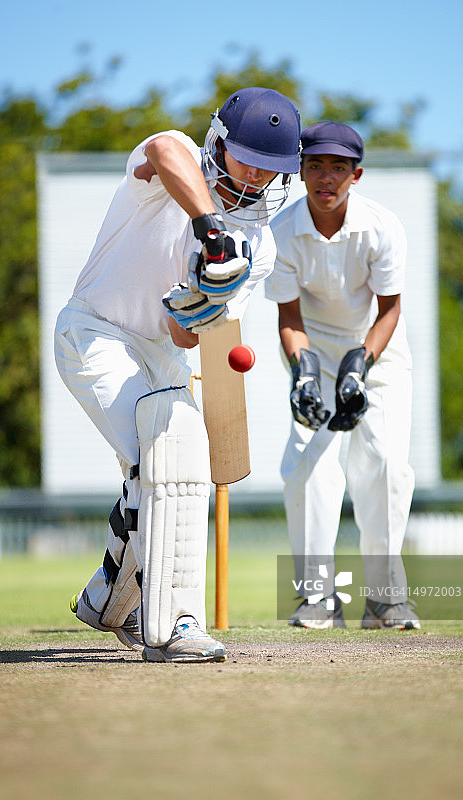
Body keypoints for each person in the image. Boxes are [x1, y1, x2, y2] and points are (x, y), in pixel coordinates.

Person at [54, 87, 301, 662]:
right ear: (219, 142)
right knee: (163, 460)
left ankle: (109, 597)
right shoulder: (176, 161)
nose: (257, 176)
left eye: (270, 167)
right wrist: (209, 229)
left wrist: (198, 299)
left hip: (164, 351)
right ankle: (173, 626)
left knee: (169, 468)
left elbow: (186, 336)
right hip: (95, 331)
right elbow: (163, 150)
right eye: (248, 159)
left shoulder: (258, 246)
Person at [265, 121, 420, 631]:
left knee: (386, 464)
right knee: (308, 466)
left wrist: (360, 365)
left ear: (356, 175)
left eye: (337, 168)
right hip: (313, 351)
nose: (325, 178)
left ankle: (385, 600)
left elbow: (390, 310)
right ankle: (319, 597)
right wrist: (303, 373)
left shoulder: (382, 227)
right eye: (315, 166)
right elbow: (289, 318)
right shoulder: (281, 232)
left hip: (378, 352)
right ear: (300, 172)